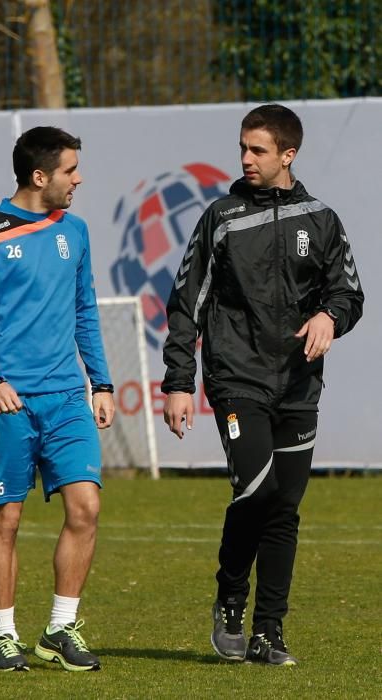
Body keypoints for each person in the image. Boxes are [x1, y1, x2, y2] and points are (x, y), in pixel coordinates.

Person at [162, 104, 363, 666]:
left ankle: (269, 631)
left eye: (258, 150)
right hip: (237, 377)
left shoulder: (321, 219)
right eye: (242, 148)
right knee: (258, 489)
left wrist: (330, 317)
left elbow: (348, 293)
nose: (246, 159)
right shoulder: (220, 216)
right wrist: (179, 382)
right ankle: (230, 595)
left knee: (286, 508)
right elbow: (187, 302)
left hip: (298, 385)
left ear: (287, 155)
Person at [0, 126, 115, 672]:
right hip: (9, 401)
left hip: (68, 397)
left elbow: (84, 311)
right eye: (70, 169)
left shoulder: (77, 231)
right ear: (39, 176)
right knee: (7, 518)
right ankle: (4, 636)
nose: (79, 178)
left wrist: (103, 383)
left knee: (86, 507)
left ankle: (60, 628)